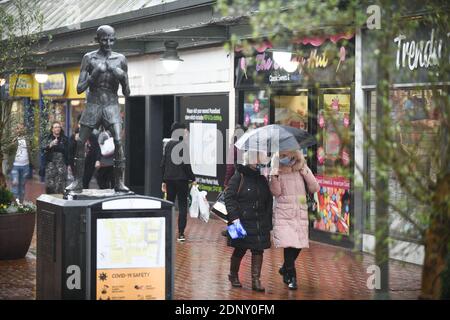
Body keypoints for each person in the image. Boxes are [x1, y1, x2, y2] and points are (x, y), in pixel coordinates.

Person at [65, 25, 130, 193]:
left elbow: (127, 92)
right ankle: (78, 181)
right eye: (104, 39)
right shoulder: (89, 58)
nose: (108, 42)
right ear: (97, 40)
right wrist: (94, 75)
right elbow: (79, 88)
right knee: (80, 142)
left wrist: (123, 78)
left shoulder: (121, 59)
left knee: (118, 141)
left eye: (111, 39)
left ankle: (119, 182)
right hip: (93, 103)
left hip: (111, 104)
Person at [269, 149, 320, 290]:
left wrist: (305, 170)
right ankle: (292, 277)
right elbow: (276, 192)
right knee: (289, 244)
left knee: (298, 245)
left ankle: (285, 268)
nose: (287, 158)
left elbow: (315, 187)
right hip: (284, 212)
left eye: (289, 155)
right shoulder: (277, 170)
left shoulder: (302, 167)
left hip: (300, 212)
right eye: (284, 155)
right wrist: (274, 175)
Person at [224, 151, 273, 292]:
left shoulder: (262, 179)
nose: (258, 162)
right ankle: (233, 275)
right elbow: (229, 198)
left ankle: (256, 280)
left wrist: (267, 221)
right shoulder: (239, 176)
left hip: (258, 221)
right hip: (241, 221)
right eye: (256, 158)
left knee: (258, 250)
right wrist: (234, 217)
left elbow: (268, 201)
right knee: (240, 248)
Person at [161, 122, 196, 242]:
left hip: (169, 179)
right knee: (182, 206)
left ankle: (167, 231)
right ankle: (181, 234)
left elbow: (163, 164)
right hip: (181, 180)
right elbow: (186, 165)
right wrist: (193, 178)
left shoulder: (168, 145)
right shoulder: (183, 145)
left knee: (169, 205)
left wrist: (164, 180)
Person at [69, 115, 101, 189]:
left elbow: (97, 149)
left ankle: (84, 197)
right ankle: (79, 197)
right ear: (79, 124)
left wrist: (98, 160)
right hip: (77, 164)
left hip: (89, 163)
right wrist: (75, 141)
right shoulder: (74, 136)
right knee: (79, 182)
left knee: (86, 182)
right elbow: (70, 151)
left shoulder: (92, 136)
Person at [6, 124, 35, 202]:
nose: (20, 130)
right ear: (15, 130)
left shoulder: (27, 139)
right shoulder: (12, 138)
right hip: (15, 166)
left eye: (22, 128)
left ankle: (21, 204)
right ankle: (14, 204)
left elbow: (31, 151)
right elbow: (6, 150)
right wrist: (11, 144)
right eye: (18, 128)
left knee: (22, 186)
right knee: (15, 185)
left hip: (25, 166)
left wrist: (32, 164)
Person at [42, 122, 69, 194]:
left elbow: (68, 151)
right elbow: (43, 148)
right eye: (55, 127)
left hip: (61, 166)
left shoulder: (65, 139)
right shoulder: (47, 138)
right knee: (50, 186)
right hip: (50, 165)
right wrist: (50, 145)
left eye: (59, 127)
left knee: (60, 186)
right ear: (52, 129)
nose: (57, 129)